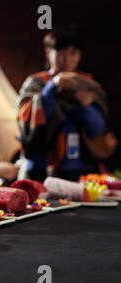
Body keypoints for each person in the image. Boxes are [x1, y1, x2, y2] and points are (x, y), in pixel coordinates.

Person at [17, 25, 113, 181]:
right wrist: (52, 86)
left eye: (73, 53)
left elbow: (97, 132)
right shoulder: (35, 83)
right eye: (61, 52)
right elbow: (29, 124)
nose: (67, 59)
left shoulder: (88, 85)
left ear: (80, 55)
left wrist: (87, 105)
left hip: (79, 168)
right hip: (40, 168)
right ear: (48, 52)